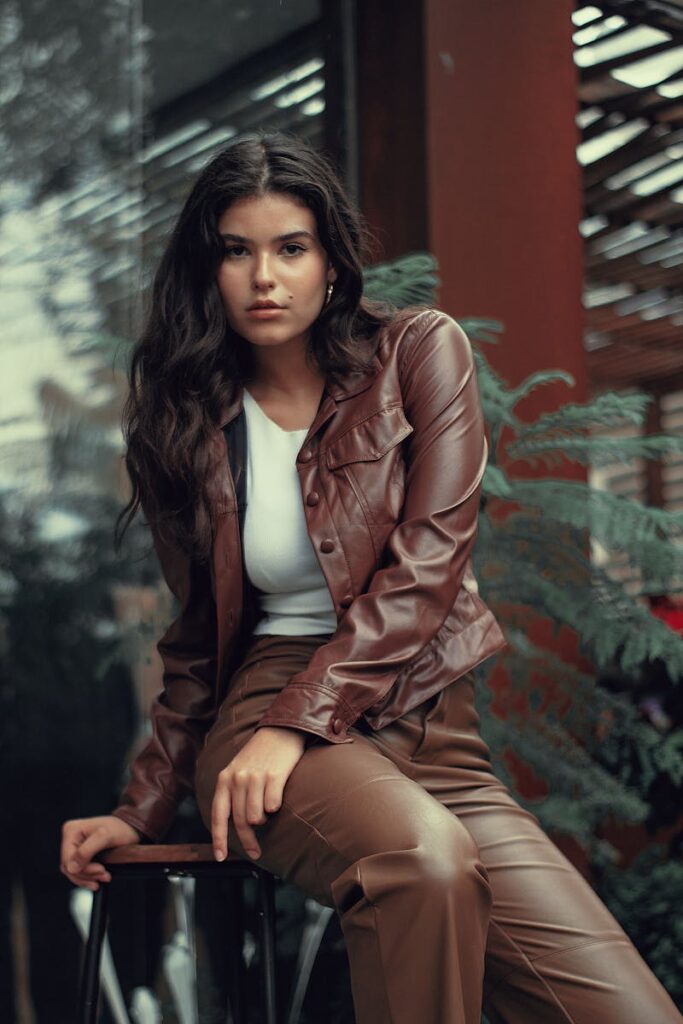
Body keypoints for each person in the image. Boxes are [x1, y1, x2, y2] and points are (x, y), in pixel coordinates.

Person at [60, 130, 683, 1023]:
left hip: (430, 726)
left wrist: (308, 718)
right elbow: (196, 642)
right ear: (207, 267)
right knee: (420, 862)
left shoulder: (417, 354)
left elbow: (427, 569)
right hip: (267, 721)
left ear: (331, 258)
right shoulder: (184, 418)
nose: (264, 278)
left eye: (290, 248)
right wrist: (146, 804)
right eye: (236, 251)